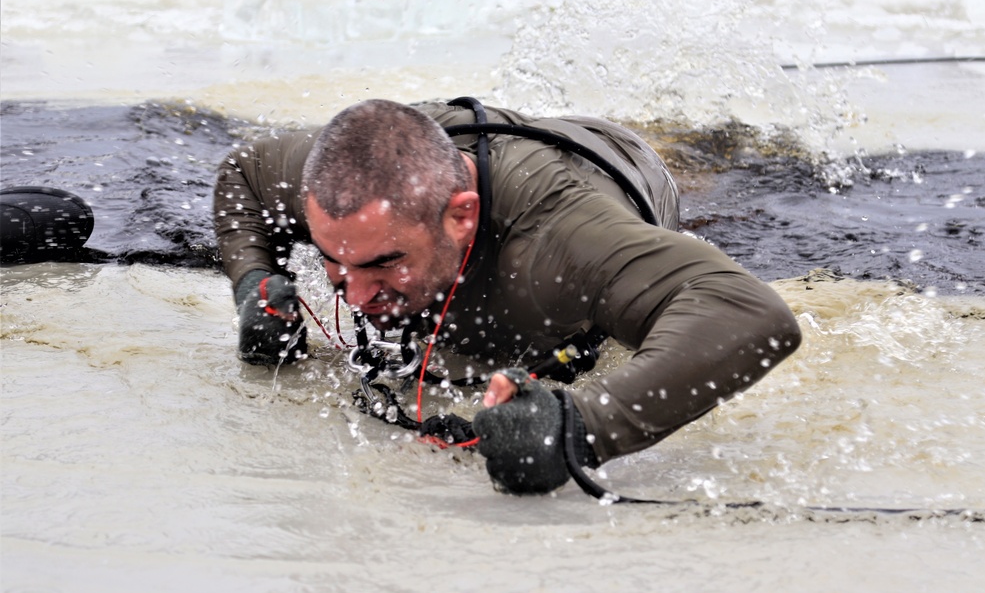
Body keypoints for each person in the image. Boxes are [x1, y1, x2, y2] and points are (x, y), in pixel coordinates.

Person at [213, 98, 801, 496]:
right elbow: (242, 174)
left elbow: (748, 313)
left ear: (461, 217)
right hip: (453, 139)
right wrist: (253, 283)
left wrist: (581, 426)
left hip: (623, 161)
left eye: (384, 263)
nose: (356, 294)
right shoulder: (336, 179)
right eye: (332, 260)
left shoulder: (557, 241)